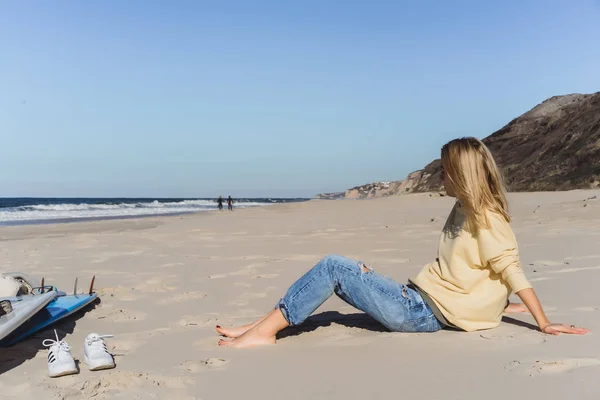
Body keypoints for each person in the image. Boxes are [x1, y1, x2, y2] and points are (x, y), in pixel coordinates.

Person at [216, 137, 590, 348]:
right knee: (348, 269)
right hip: (419, 301)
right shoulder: (464, 208)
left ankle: (262, 334)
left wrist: (543, 321)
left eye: (445, 171)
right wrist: (499, 306)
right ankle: (261, 324)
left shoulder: (486, 217)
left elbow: (511, 269)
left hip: (421, 312)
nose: (440, 176)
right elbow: (481, 271)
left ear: (460, 175)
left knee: (334, 266)